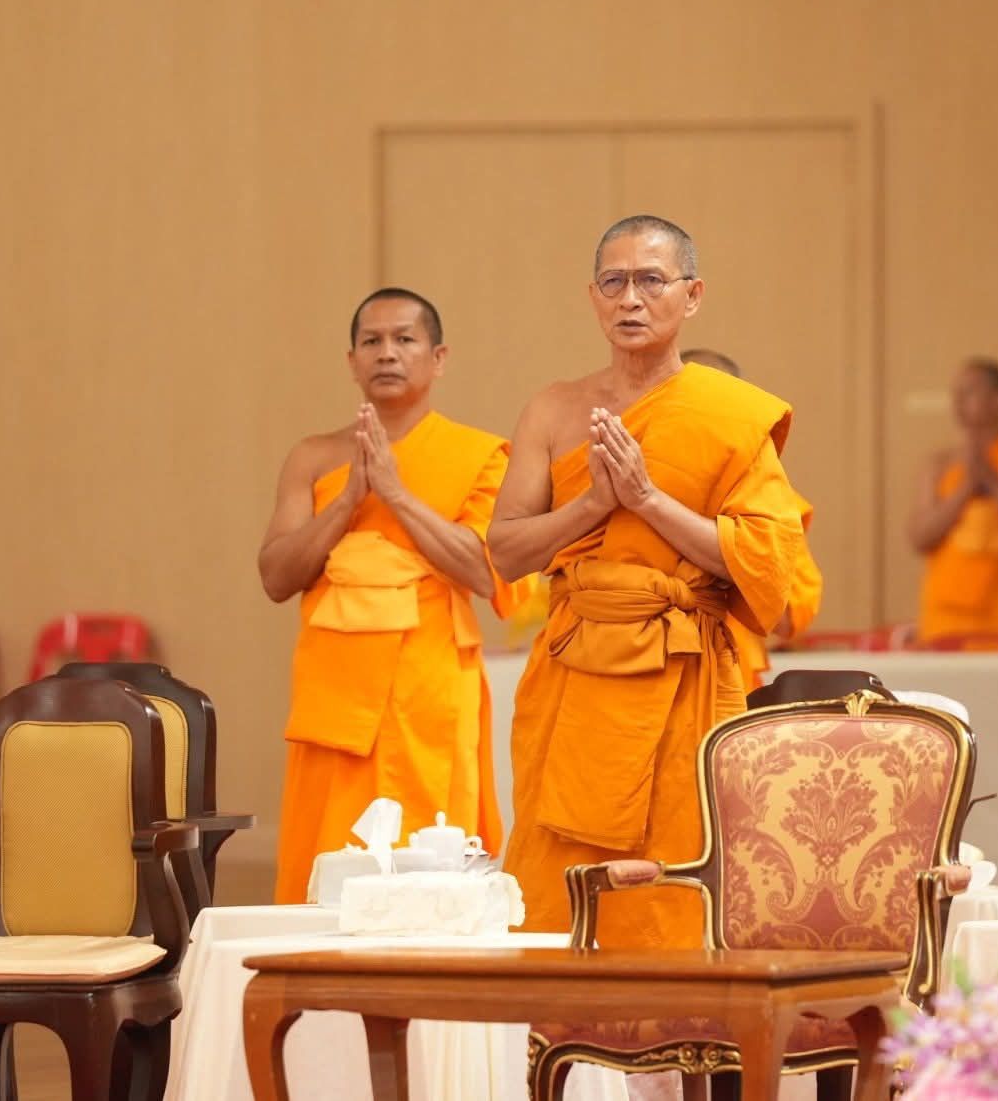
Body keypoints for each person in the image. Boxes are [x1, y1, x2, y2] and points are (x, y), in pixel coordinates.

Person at [494, 216, 806, 944]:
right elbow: (506, 552)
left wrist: (646, 501)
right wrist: (594, 504)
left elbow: (762, 565)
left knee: (677, 884)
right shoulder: (554, 407)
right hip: (576, 677)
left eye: (651, 280)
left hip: (684, 677)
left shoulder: (731, 414)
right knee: (561, 891)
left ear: (692, 295)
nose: (630, 298)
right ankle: (559, 1047)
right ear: (593, 296)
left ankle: (679, 1052)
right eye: (614, 281)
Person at [261, 288, 523, 900]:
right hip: (338, 688)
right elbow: (276, 575)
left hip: (430, 688)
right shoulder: (314, 458)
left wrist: (397, 496)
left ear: (438, 357)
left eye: (405, 339)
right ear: (351, 360)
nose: (388, 353)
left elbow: (487, 571)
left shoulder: (479, 456)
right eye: (372, 342)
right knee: (332, 855)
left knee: (429, 860)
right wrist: (351, 497)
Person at [679, 346, 824, 690]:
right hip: (640, 668)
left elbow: (787, 619)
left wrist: (725, 549)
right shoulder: (629, 481)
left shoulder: (768, 501)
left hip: (730, 678)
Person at [909, 358, 998, 650]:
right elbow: (920, 538)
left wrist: (993, 482)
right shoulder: (939, 465)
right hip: (945, 619)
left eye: (970, 392)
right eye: (956, 393)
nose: (958, 402)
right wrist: (966, 488)